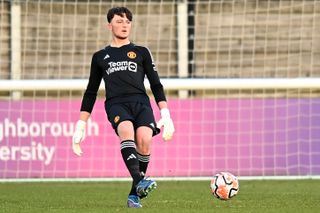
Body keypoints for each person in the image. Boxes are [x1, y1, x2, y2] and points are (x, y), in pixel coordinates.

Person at [71, 7, 175, 208]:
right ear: (109, 25)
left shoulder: (141, 52)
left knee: (144, 140)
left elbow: (156, 84)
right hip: (116, 104)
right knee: (126, 131)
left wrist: (166, 114)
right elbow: (91, 91)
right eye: (119, 21)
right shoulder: (100, 56)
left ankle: (134, 194)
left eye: (127, 21)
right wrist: (81, 125)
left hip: (141, 103)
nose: (124, 25)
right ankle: (140, 182)